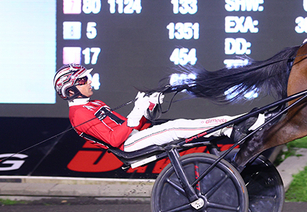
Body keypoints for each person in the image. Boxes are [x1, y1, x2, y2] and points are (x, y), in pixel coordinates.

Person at [54, 64, 245, 152]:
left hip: (132, 138)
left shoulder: (94, 104)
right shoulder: (78, 114)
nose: (89, 81)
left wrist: (148, 108)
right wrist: (136, 111)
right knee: (175, 127)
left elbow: (133, 127)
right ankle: (230, 126)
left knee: (176, 125)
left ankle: (230, 125)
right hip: (128, 146)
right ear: (70, 91)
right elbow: (114, 140)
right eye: (83, 80)